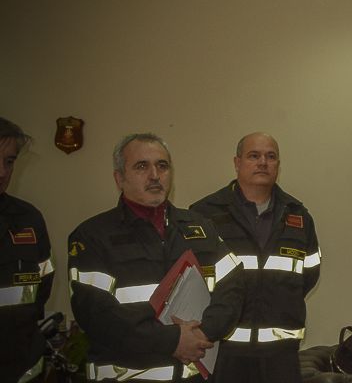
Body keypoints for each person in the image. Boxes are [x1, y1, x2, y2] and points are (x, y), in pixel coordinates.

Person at [68, 133, 244, 382]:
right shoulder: (92, 237)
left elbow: (233, 289)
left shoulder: (200, 227)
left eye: (162, 166)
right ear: (119, 178)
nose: (154, 175)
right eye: (141, 166)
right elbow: (98, 316)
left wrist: (204, 332)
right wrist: (173, 340)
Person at [190, 132, 320, 382]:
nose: (263, 162)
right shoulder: (204, 215)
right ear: (237, 163)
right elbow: (191, 277)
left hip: (280, 355)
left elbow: (309, 274)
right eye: (254, 156)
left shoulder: (299, 217)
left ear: (278, 166)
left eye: (271, 157)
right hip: (222, 352)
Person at [1, 118, 53, 383]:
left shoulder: (28, 218)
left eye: (9, 161)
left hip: (22, 366)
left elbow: (42, 286)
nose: (1, 172)